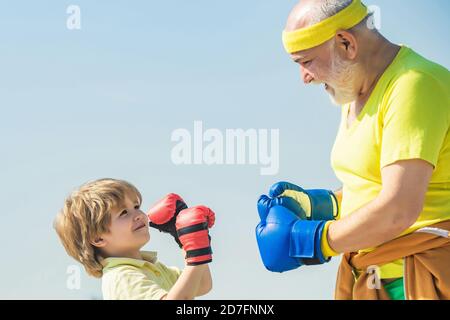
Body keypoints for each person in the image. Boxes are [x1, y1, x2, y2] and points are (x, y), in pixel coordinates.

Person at [256, 0, 450, 300]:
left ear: (346, 43)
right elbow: (373, 185)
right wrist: (323, 205)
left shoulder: (414, 85)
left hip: (418, 281)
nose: (304, 78)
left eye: (305, 62)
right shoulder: (354, 92)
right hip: (373, 280)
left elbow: (399, 208)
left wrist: (311, 241)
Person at [54, 178, 214, 299]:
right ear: (97, 238)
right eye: (123, 212)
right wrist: (196, 254)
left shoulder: (152, 268)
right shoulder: (122, 277)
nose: (138, 215)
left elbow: (202, 284)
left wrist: (185, 240)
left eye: (136, 206)